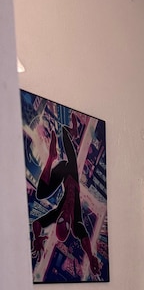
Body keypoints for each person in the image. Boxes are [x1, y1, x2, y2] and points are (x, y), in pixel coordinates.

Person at [31, 114, 100, 276]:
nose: (65, 214)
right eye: (65, 221)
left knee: (41, 194)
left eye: (60, 219)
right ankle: (70, 135)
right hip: (70, 172)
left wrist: (37, 237)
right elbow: (84, 240)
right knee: (64, 131)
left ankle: (51, 158)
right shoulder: (76, 223)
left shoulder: (56, 215)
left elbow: (37, 224)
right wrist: (90, 257)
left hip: (62, 174)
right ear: (70, 226)